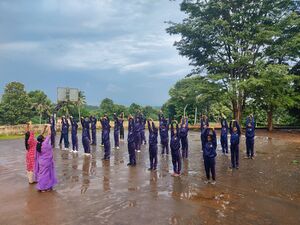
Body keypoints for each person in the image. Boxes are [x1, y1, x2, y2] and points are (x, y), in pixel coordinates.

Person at [35, 125, 58, 192]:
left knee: (42, 174)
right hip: (47, 162)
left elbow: (40, 136)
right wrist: (49, 127)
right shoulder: (45, 143)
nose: (45, 138)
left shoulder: (38, 144)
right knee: (46, 175)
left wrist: (44, 128)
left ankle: (44, 186)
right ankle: (43, 187)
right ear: (43, 139)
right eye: (44, 138)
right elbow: (49, 134)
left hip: (41, 162)